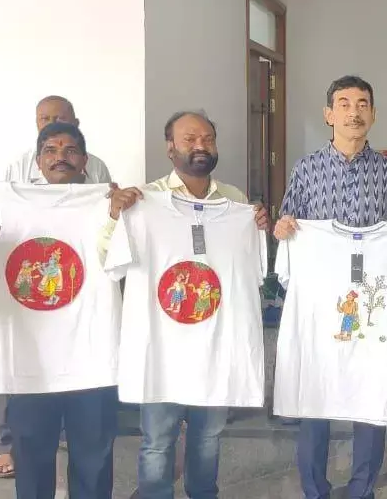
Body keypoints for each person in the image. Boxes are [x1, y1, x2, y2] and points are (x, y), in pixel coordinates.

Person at [274, 75, 387, 499]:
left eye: (362, 104)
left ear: (374, 114)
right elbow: (288, 223)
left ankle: (363, 488)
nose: (354, 112)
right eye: (344, 104)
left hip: (371, 306)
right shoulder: (306, 169)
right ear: (329, 114)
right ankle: (315, 490)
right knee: (315, 396)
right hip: (323, 305)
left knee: (372, 395)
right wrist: (284, 226)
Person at [105, 110, 268, 499]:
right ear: (170, 147)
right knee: (157, 441)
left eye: (208, 138)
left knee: (208, 437)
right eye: (190, 138)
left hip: (216, 349)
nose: (200, 145)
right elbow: (108, 260)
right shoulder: (144, 202)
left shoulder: (236, 203)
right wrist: (116, 217)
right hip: (162, 349)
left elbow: (253, 270)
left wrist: (257, 225)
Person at [0, 94, 111, 479]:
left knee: (93, 456)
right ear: (38, 160)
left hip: (91, 353)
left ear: (85, 161)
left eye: (71, 150)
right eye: (50, 150)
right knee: (31, 453)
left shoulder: (108, 201)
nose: (60, 157)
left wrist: (121, 211)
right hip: (32, 354)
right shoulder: (7, 197)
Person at [3, 95, 111, 184]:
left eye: (60, 119)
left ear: (76, 124)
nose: (51, 124)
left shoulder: (97, 167)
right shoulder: (19, 166)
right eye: (45, 119)